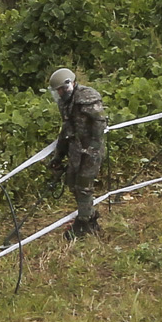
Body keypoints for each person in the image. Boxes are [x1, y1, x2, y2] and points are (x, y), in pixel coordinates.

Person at [47, 67, 107, 238]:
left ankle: (84, 224)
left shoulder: (87, 97)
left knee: (84, 186)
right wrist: (59, 155)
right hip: (75, 149)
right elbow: (66, 129)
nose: (59, 93)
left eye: (61, 89)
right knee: (73, 184)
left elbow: (99, 125)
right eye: (57, 91)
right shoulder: (64, 103)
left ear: (70, 84)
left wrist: (92, 150)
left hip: (90, 150)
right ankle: (90, 216)